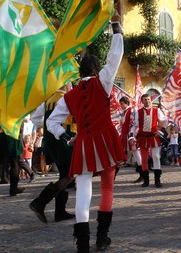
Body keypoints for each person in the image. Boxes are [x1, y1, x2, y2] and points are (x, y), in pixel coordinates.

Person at [47, 16, 126, 252]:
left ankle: (82, 243)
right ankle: (102, 238)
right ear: (95, 68)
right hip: (105, 139)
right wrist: (116, 29)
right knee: (107, 188)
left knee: (83, 191)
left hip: (82, 143)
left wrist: (65, 137)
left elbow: (52, 122)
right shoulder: (102, 82)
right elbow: (114, 57)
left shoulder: (68, 96)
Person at [29, 83, 76, 224]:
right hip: (66, 139)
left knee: (64, 173)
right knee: (70, 174)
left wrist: (45, 127)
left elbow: (35, 119)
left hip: (51, 140)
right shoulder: (68, 98)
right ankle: (40, 202)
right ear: (66, 84)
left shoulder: (48, 100)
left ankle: (60, 211)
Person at [129, 93, 168, 187]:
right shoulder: (138, 112)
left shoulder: (156, 110)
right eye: (145, 100)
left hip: (153, 136)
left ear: (151, 100)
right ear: (142, 101)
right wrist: (131, 136)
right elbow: (134, 125)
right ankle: (146, 180)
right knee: (144, 160)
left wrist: (161, 131)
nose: (147, 101)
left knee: (156, 157)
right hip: (142, 137)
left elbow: (164, 120)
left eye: (148, 99)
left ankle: (157, 180)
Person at [119, 96, 142, 183]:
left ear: (126, 103)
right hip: (125, 135)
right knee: (135, 153)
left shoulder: (132, 111)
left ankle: (143, 174)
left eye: (122, 104)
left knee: (136, 153)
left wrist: (132, 136)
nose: (121, 105)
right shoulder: (124, 112)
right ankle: (142, 173)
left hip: (131, 135)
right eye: (120, 104)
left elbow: (134, 124)